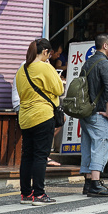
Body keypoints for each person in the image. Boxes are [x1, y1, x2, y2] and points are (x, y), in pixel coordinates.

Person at [15, 38, 65, 203]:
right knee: (40, 156)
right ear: (45, 52)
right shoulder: (45, 67)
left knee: (27, 156)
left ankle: (26, 193)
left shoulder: (22, 69)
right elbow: (59, 88)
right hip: (42, 116)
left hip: (25, 117)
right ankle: (39, 193)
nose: (49, 57)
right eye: (48, 54)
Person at [80, 34, 108, 198]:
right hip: (99, 112)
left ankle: (88, 183)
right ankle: (96, 182)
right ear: (105, 46)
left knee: (87, 146)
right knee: (100, 145)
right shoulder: (105, 64)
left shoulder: (87, 63)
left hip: (85, 111)